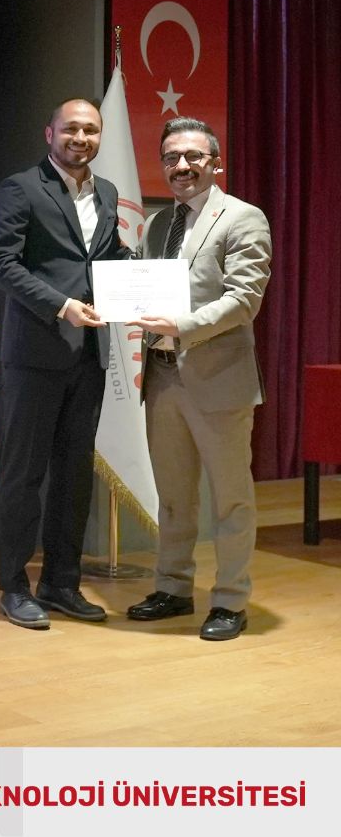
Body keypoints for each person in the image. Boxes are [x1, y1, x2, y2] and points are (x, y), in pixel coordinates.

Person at [0, 97, 129, 629]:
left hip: (89, 355)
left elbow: (106, 259)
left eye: (90, 130)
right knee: (24, 475)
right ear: (50, 134)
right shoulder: (21, 188)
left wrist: (147, 279)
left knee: (74, 474)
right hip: (35, 355)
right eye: (71, 129)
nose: (80, 138)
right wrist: (61, 305)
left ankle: (62, 582)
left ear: (99, 136)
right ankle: (14, 586)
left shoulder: (106, 192)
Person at [126, 116, 271, 641]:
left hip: (219, 380)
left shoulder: (243, 218)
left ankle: (230, 599)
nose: (181, 166)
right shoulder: (155, 225)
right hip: (162, 378)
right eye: (171, 158)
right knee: (173, 496)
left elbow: (244, 300)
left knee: (230, 498)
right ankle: (173, 588)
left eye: (193, 157)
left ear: (216, 163)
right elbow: (143, 289)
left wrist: (181, 326)